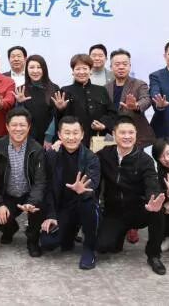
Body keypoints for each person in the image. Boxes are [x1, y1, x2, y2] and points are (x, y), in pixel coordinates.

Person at [97, 116, 167, 275]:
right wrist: (59, 146)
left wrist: (153, 198)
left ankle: (154, 255)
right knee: (103, 247)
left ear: (136, 134)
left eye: (131, 133)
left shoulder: (145, 160)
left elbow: (151, 182)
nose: (127, 136)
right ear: (114, 134)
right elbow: (88, 160)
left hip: (138, 210)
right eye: (122, 133)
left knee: (158, 210)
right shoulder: (104, 155)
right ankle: (120, 233)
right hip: (114, 212)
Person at [40, 116, 101, 270]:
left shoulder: (91, 157)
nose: (71, 137)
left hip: (84, 206)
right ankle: (70, 233)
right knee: (48, 243)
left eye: (75, 133)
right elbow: (47, 187)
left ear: (82, 135)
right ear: (59, 135)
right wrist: (51, 215)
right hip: (64, 207)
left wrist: (83, 190)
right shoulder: (52, 155)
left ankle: (89, 248)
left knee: (88, 201)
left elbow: (93, 184)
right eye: (67, 133)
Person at [0, 107, 47, 257]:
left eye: (22, 125)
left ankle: (32, 240)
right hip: (8, 195)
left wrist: (32, 202)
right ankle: (10, 230)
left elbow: (40, 182)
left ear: (28, 127)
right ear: (7, 126)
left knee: (39, 206)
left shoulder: (37, 149)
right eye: (14, 125)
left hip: (28, 194)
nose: (18, 129)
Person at [53, 54, 116, 150]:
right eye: (78, 69)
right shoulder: (65, 90)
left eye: (85, 68)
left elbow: (112, 113)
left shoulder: (101, 90)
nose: (81, 72)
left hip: (99, 141)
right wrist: (60, 110)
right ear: (73, 72)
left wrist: (104, 125)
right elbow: (59, 121)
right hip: (73, 142)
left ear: (90, 71)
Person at [105, 48, 155, 151]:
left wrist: (136, 105)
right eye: (117, 64)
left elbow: (146, 99)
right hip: (112, 137)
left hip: (135, 137)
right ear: (111, 67)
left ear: (129, 66)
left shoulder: (139, 84)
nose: (121, 67)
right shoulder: (106, 88)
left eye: (125, 64)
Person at [13, 54, 59, 147]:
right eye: (31, 67)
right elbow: (18, 116)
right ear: (27, 70)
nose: (35, 71)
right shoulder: (21, 90)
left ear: (44, 69)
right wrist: (20, 103)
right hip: (27, 138)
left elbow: (56, 115)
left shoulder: (54, 88)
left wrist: (49, 137)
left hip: (49, 140)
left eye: (39, 67)